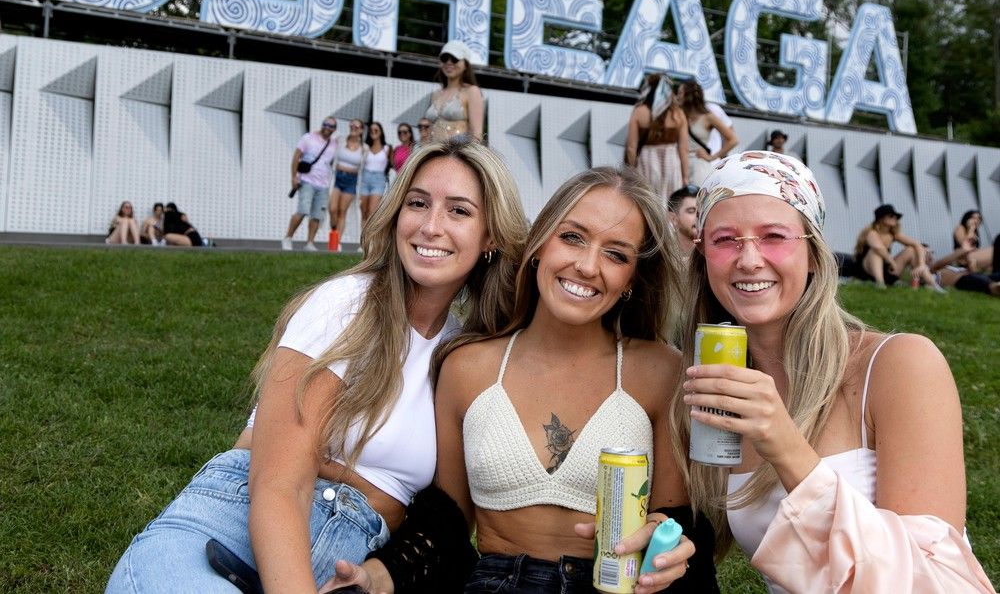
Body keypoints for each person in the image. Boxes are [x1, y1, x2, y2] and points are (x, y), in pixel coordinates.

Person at [105, 137, 530, 594]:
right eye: (418, 203)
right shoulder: (346, 307)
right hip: (232, 532)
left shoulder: (459, 352)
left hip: (350, 560)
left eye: (459, 211)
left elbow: (449, 514)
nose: (431, 226)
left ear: (490, 236)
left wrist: (385, 573)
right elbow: (279, 485)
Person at [329, 167, 716, 594]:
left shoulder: (662, 371)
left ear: (631, 281)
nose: (587, 266)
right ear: (540, 244)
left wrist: (667, 534)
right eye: (572, 237)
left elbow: (677, 516)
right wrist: (380, 576)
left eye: (616, 254)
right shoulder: (467, 367)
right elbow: (446, 517)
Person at [673, 151, 996, 594]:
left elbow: (939, 580)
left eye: (774, 236)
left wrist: (787, 448)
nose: (748, 259)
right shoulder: (709, 381)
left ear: (812, 253)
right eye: (725, 239)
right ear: (703, 256)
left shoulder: (899, 366)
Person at [625, 73, 689, 205]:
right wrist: (685, 176)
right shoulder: (678, 114)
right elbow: (683, 149)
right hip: (671, 162)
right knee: (670, 204)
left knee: (649, 203)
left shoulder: (639, 111)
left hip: (647, 162)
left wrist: (631, 171)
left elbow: (631, 148)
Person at [852, 204, 943, 290]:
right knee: (875, 252)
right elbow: (879, 248)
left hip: (888, 270)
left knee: (911, 250)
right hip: (867, 272)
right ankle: (880, 284)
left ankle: (931, 284)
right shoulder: (871, 232)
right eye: (891, 216)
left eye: (896, 217)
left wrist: (921, 264)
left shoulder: (893, 234)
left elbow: (917, 244)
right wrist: (892, 262)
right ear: (882, 218)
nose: (895, 218)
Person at [282, 117, 338, 252]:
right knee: (302, 210)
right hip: (307, 181)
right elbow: (296, 157)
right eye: (326, 124)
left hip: (324, 184)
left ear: (334, 129)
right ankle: (288, 238)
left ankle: (310, 243)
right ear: (322, 124)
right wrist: (293, 177)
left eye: (331, 126)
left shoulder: (334, 144)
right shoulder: (308, 138)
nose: (328, 128)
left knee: (317, 215)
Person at [676, 79, 738, 187]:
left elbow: (733, 140)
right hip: (678, 163)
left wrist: (712, 157)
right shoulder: (679, 116)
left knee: (696, 200)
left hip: (698, 165)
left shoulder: (708, 117)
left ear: (689, 95)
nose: (677, 96)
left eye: (680, 93)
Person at [424, 40, 484, 141]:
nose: (449, 62)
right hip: (433, 152)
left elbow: (476, 135)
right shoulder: (436, 94)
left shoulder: (472, 91)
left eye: (455, 59)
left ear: (465, 64)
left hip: (457, 153)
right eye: (444, 58)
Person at [328, 119, 365, 251]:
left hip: (351, 181)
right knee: (332, 209)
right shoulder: (341, 139)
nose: (353, 127)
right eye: (351, 125)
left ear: (361, 130)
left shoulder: (364, 148)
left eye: (356, 126)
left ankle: (336, 242)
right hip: (337, 178)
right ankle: (333, 230)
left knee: (342, 212)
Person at [359, 121, 391, 229]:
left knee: (372, 211)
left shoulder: (387, 148)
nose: (373, 132)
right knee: (363, 211)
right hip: (365, 179)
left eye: (376, 130)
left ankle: (370, 241)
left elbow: (392, 166)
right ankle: (362, 242)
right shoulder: (365, 148)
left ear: (381, 132)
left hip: (378, 179)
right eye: (371, 130)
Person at [668, 184, 699, 258]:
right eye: (691, 211)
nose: (699, 216)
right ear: (673, 218)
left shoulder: (713, 252)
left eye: (703, 211)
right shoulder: (663, 256)